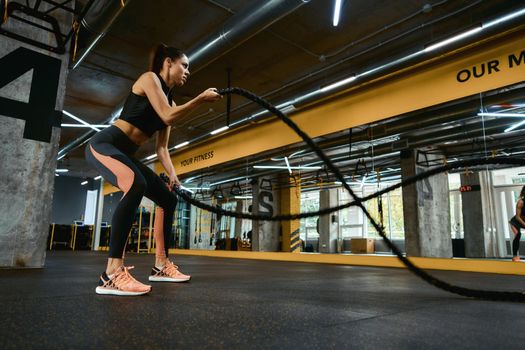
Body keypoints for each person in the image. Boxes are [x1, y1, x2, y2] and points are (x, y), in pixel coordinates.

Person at [85, 43, 222, 296]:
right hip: (105, 144)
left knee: (167, 199)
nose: (187, 72)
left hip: (125, 153)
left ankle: (160, 266)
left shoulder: (169, 99)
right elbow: (168, 116)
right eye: (185, 65)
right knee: (136, 183)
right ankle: (111, 273)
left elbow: (162, 148)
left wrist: (173, 176)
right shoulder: (149, 79)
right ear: (168, 62)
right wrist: (201, 98)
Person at [509, 185, 525, 262]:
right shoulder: (520, 202)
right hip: (515, 222)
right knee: (518, 234)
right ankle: (515, 256)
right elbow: (518, 217)